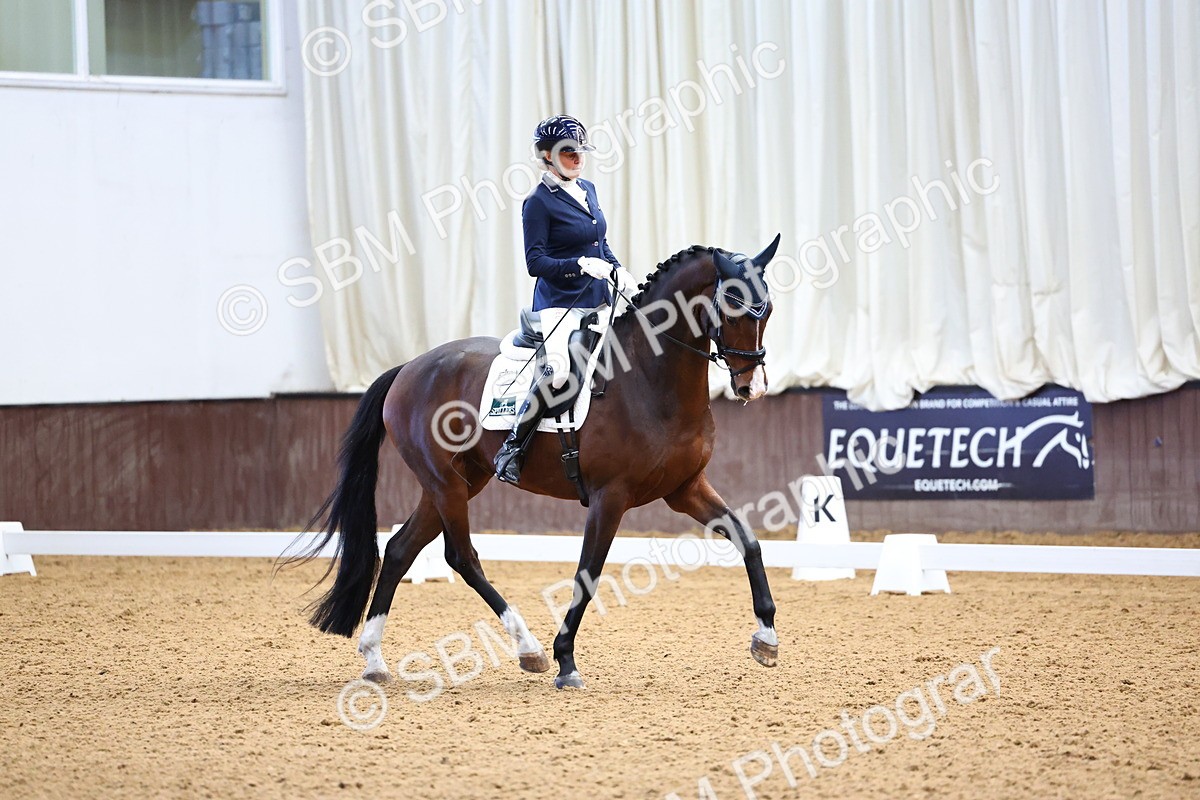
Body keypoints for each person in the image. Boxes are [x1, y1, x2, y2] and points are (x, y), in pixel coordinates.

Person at [493, 114, 633, 484]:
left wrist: (617, 270)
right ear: (546, 157)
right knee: (559, 375)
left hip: (598, 298)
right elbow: (535, 262)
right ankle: (512, 449)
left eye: (580, 152)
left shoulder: (587, 188)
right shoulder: (537, 202)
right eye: (568, 153)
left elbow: (599, 243)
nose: (577, 159)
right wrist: (580, 265)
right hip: (558, 305)